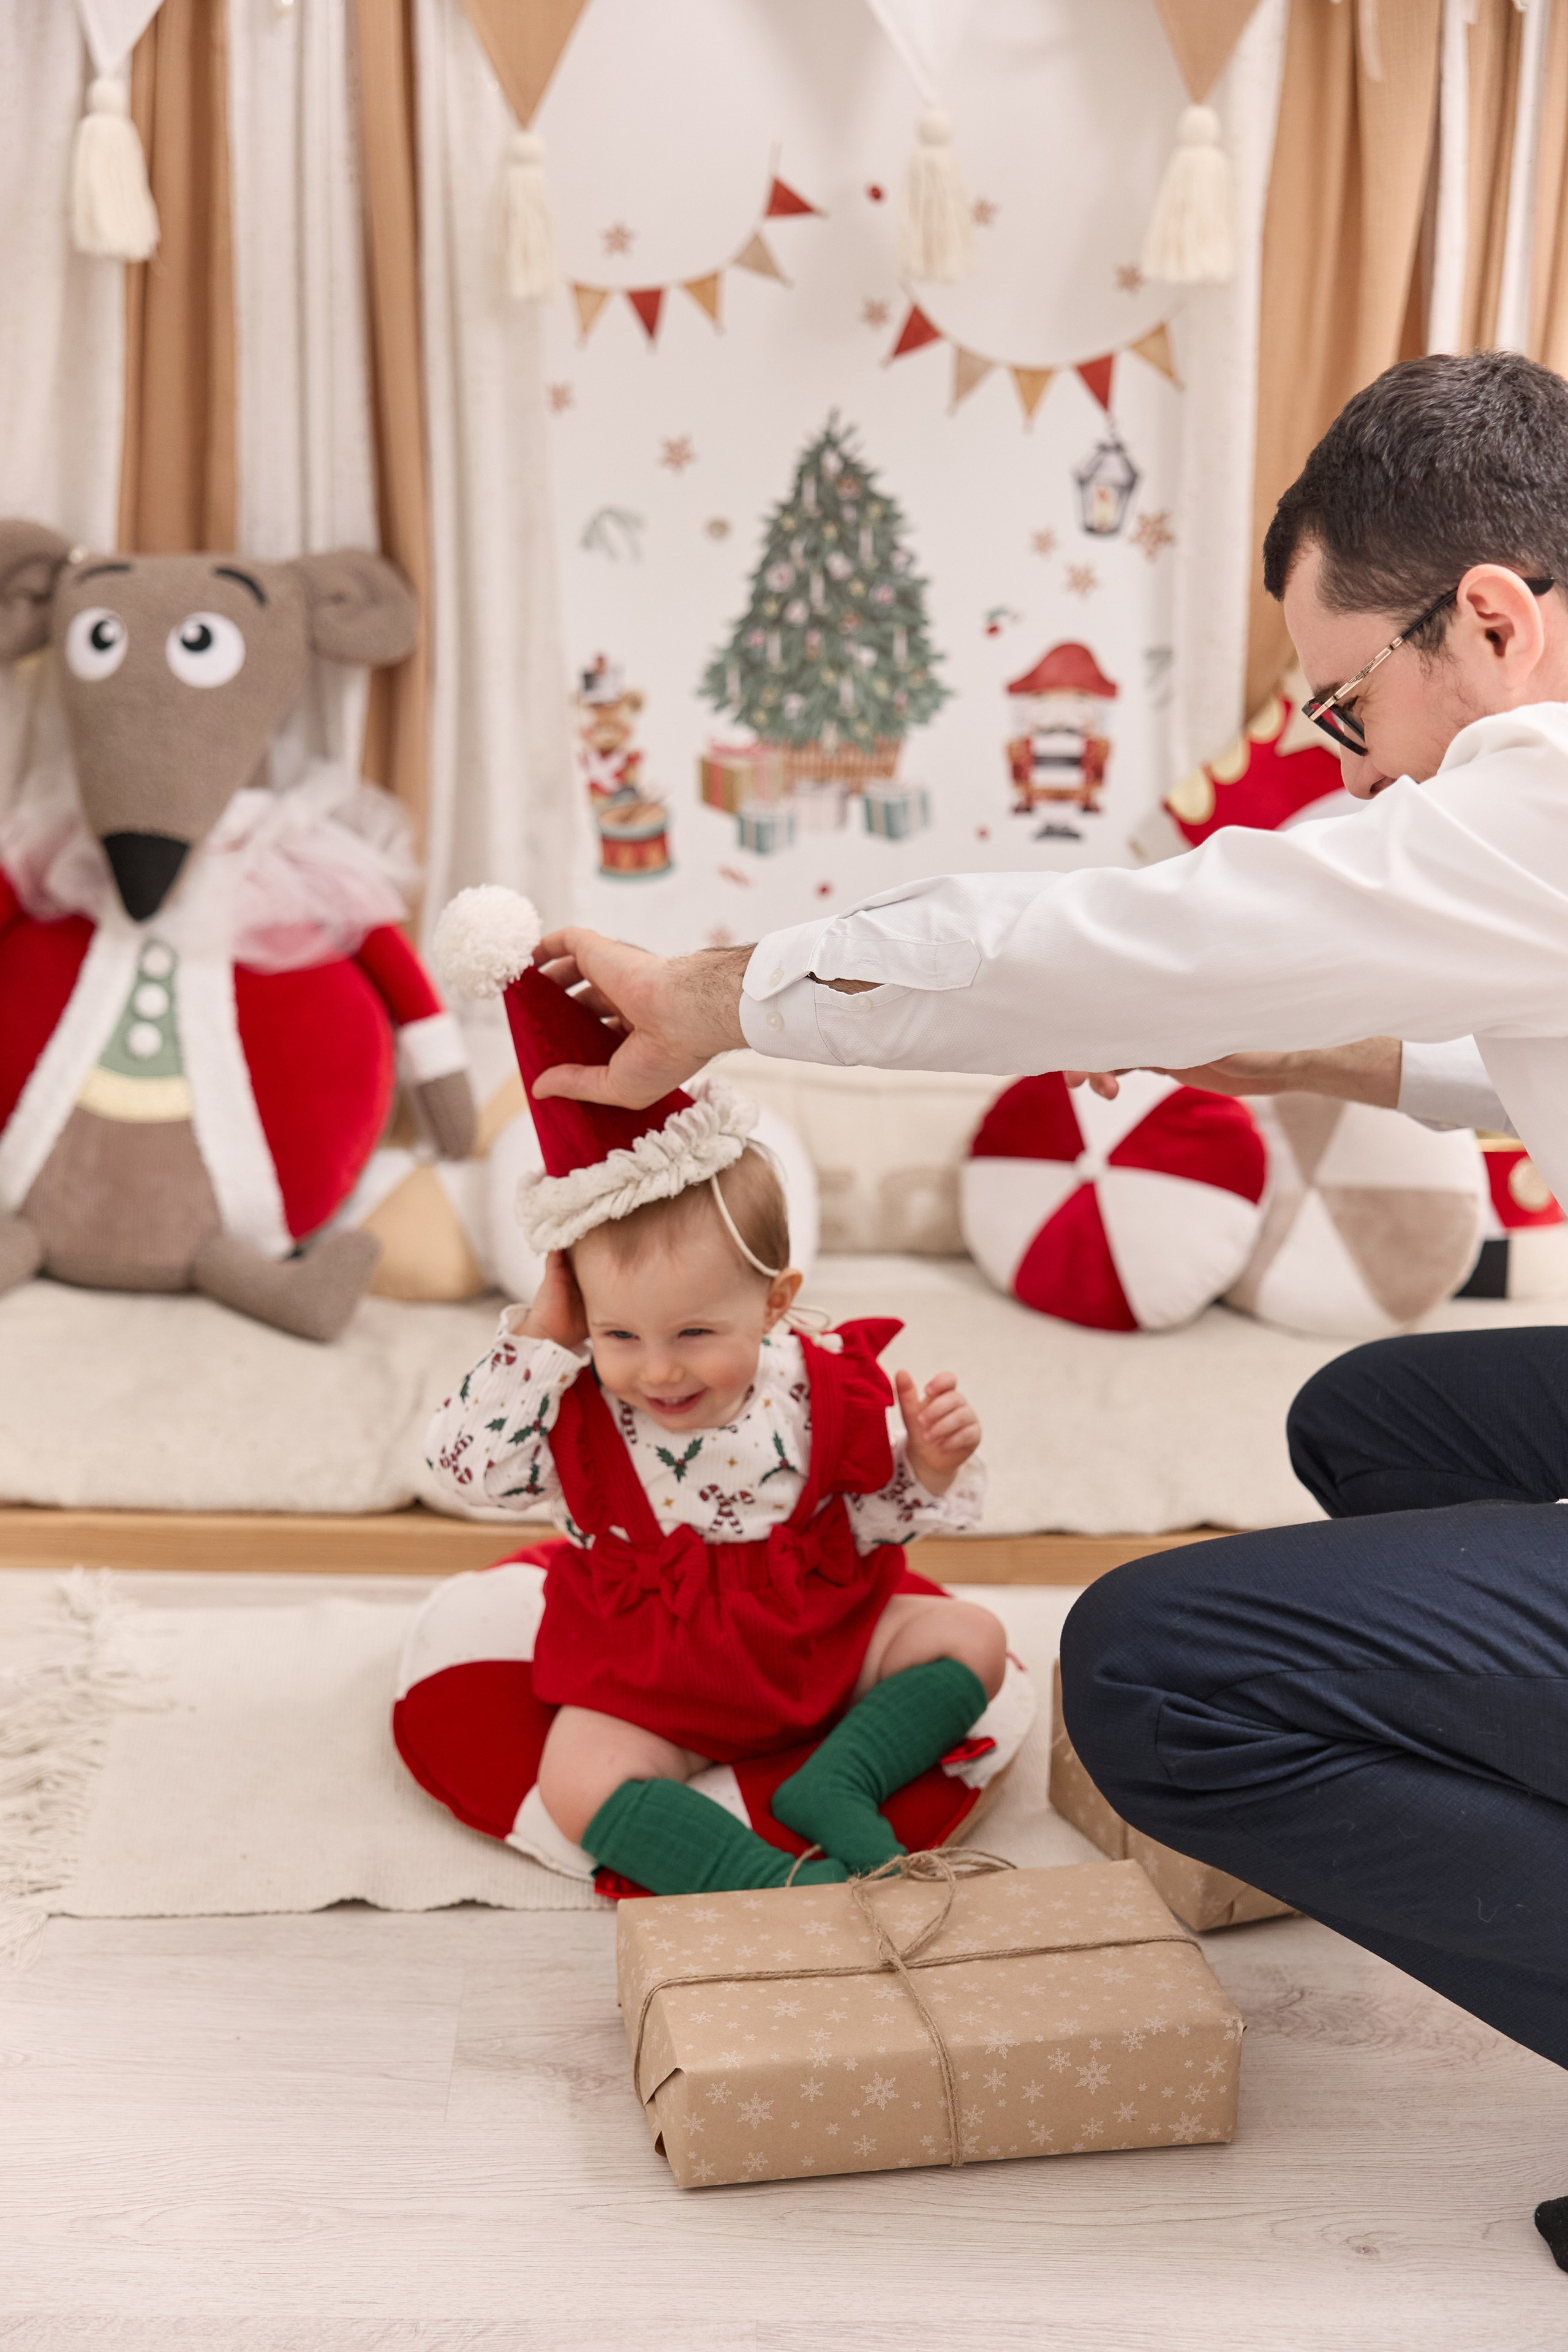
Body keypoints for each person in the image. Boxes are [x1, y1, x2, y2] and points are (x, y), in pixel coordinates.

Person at [522, 350, 1568, 2265]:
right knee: (1375, 1425)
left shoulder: (1539, 803)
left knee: (1160, 1671)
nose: (1351, 763)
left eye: (1348, 703)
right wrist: (1330, 1061)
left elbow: (1084, 939)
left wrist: (705, 996)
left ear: (1489, 621)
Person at [424, 907, 1003, 1899]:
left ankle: (840, 1780)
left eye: (695, 1334)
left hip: (814, 1655)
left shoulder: (821, 1385)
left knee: (973, 1643)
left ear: (777, 1302)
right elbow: (459, 1473)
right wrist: (542, 1339)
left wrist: (929, 1469)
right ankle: (764, 1885)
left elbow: (867, 1523)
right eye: (620, 1335)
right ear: (581, 1317)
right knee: (575, 1778)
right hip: (646, 1688)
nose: (657, 1372)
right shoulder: (562, 1403)